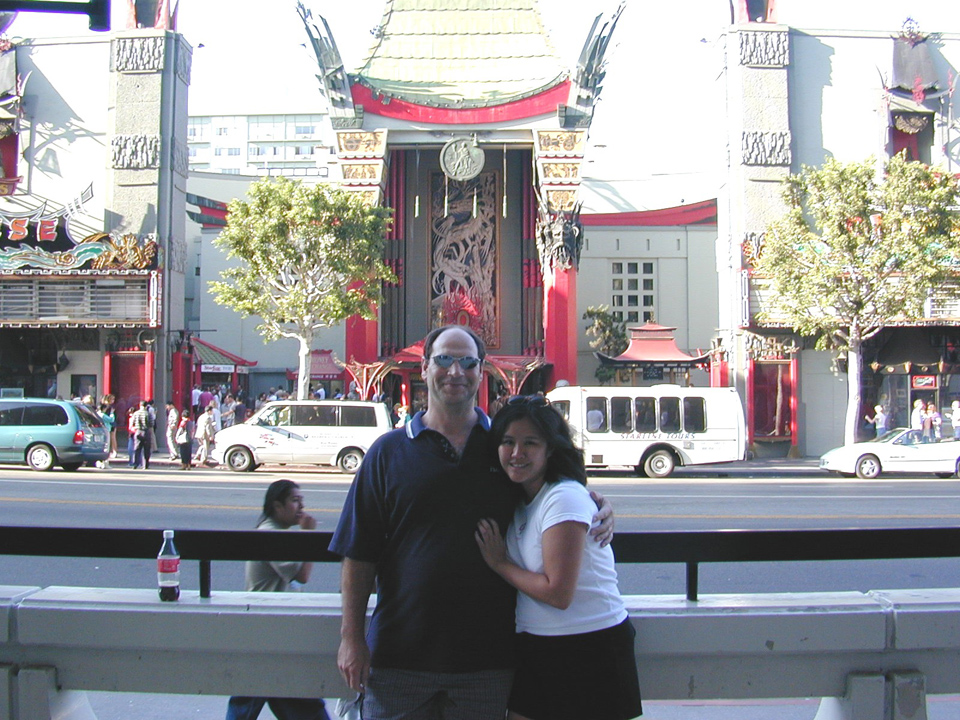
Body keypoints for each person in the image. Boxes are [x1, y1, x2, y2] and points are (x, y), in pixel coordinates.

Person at [329, 325, 613, 720]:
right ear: (425, 367)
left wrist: (595, 502)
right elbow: (359, 553)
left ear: (483, 371)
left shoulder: (503, 449)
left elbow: (553, 493)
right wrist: (351, 638)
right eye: (444, 359)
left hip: (488, 663)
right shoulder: (387, 453)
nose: (455, 371)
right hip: (399, 657)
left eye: (468, 362)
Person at [475, 395, 642, 720]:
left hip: (590, 647)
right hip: (536, 646)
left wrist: (499, 564)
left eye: (530, 443)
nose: (517, 453)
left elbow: (558, 592)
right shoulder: (523, 499)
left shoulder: (562, 497)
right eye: (508, 442)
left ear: (550, 449)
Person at [225, 480, 330, 720]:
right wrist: (308, 535)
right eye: (295, 501)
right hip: (268, 629)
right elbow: (302, 576)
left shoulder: (276, 531)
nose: (301, 507)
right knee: (283, 691)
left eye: (301, 501)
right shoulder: (270, 534)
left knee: (268, 693)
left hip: (273, 628)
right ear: (277, 506)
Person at [130, 400, 152, 469]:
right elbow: (151, 423)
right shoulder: (147, 413)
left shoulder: (136, 413)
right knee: (146, 449)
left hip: (138, 431)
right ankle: (145, 465)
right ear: (146, 406)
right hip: (145, 432)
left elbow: (132, 423)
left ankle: (135, 464)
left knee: (137, 448)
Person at [95, 402, 115, 469]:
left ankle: (99, 462)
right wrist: (112, 413)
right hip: (105, 431)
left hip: (99, 431)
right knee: (106, 447)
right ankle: (105, 463)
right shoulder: (102, 415)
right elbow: (111, 420)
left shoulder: (96, 414)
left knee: (101, 447)